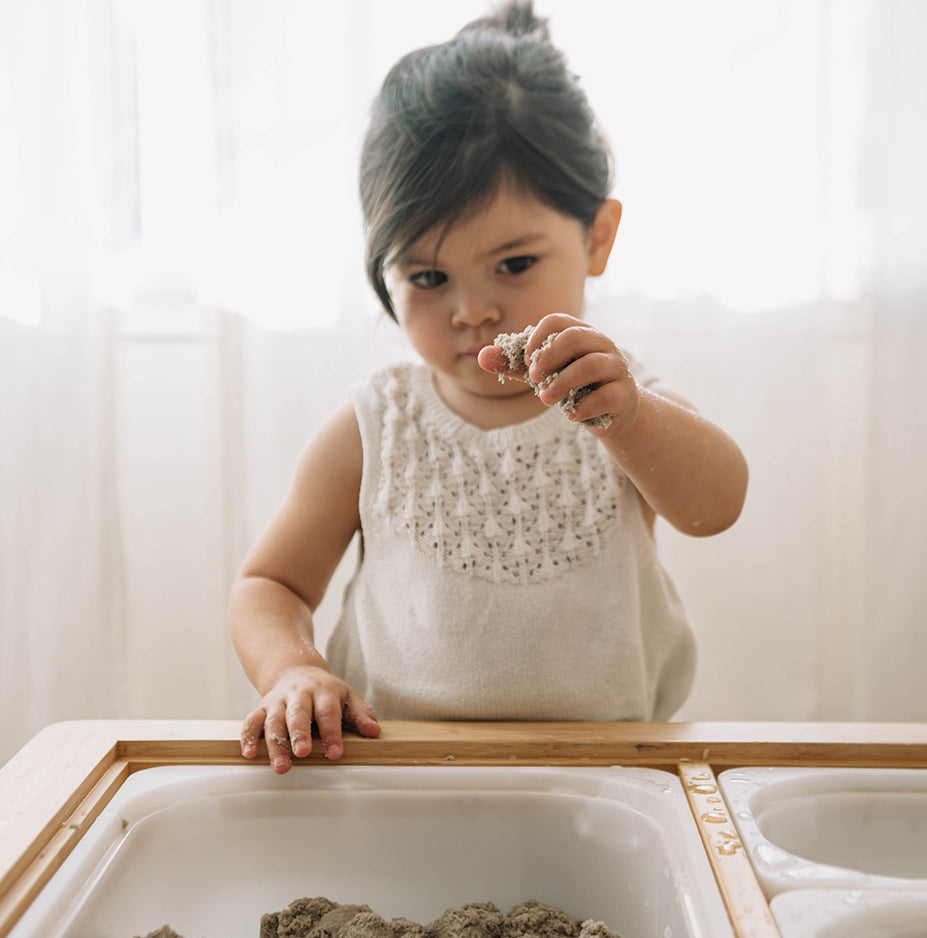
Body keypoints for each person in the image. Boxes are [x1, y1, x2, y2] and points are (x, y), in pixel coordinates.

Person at [230, 0, 749, 773]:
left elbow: (717, 505)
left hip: (607, 781)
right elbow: (269, 582)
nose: (472, 310)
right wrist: (292, 669)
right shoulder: (374, 426)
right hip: (401, 777)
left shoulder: (621, 400)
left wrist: (632, 420)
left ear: (598, 237)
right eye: (428, 277)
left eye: (513, 264)